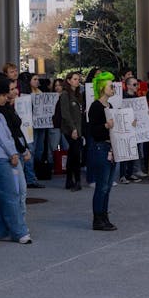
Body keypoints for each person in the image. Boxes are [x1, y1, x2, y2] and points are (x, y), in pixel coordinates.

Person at [0, 78, 32, 244]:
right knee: (10, 194)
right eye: (3, 94)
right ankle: (19, 231)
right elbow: (2, 136)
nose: (6, 97)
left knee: (0, 196)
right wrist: (12, 153)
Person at [87, 72, 120, 230]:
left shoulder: (110, 106)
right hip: (101, 147)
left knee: (107, 185)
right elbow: (93, 131)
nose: (113, 88)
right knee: (102, 185)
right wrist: (106, 126)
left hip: (110, 146)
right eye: (110, 85)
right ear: (102, 88)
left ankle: (103, 216)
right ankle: (98, 218)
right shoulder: (96, 106)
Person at [60, 71, 85, 190]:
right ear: (69, 80)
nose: (77, 81)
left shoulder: (78, 94)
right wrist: (73, 129)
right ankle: (77, 181)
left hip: (78, 128)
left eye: (78, 79)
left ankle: (69, 180)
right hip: (70, 129)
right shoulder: (65, 94)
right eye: (74, 79)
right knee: (75, 155)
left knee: (72, 154)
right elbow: (65, 114)